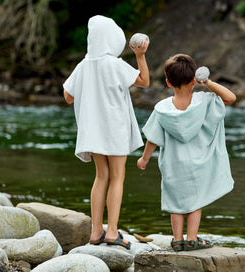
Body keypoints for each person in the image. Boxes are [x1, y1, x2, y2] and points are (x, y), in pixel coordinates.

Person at [63, 15, 149, 249]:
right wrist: (140, 56)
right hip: (115, 128)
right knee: (118, 176)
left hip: (94, 131)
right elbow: (144, 81)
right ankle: (112, 231)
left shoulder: (83, 65)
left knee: (101, 176)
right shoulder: (115, 63)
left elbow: (68, 96)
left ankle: (95, 231)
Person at [137, 54, 236, 251]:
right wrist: (207, 83)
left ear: (167, 82)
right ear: (194, 81)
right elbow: (230, 98)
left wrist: (144, 158)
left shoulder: (162, 108)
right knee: (195, 202)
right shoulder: (205, 101)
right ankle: (192, 239)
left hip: (173, 163)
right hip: (198, 161)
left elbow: (153, 138)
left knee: (176, 203)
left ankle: (176, 240)